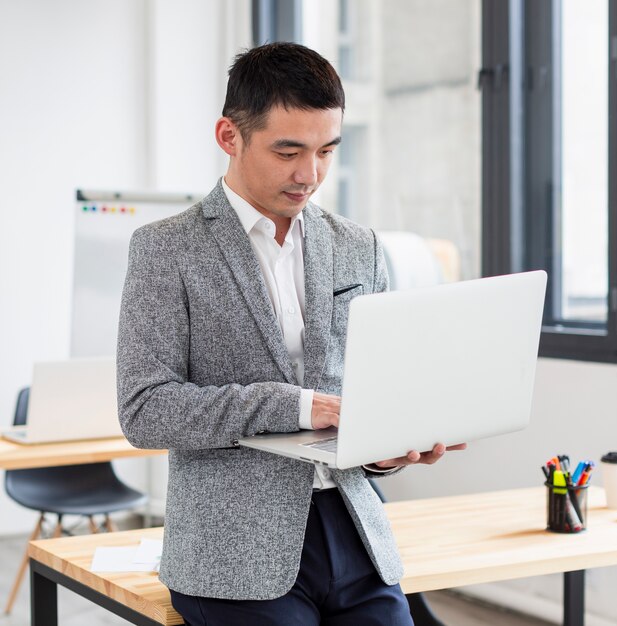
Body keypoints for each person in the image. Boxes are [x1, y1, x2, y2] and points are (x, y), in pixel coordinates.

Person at [117, 42, 465, 626]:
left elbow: (366, 395)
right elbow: (146, 410)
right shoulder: (165, 249)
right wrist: (300, 406)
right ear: (229, 136)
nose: (310, 175)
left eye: (327, 150)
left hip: (355, 531)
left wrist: (390, 445)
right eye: (288, 151)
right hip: (232, 549)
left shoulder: (358, 245)